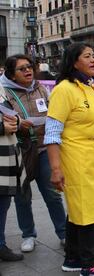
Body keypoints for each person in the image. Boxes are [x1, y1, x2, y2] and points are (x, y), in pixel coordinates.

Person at [44, 42, 94, 275]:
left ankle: (72, 258)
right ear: (74, 62)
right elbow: (52, 132)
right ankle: (91, 265)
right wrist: (55, 169)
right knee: (87, 211)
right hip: (76, 159)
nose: (93, 60)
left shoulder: (93, 88)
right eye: (87, 56)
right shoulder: (64, 89)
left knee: (78, 211)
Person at [0, 54, 66, 253]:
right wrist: (19, 123)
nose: (28, 71)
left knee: (53, 194)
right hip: (20, 149)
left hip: (44, 148)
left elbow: (53, 111)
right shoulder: (4, 92)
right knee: (22, 196)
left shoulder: (41, 88)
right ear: (11, 74)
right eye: (22, 69)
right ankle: (28, 234)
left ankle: (64, 233)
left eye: (29, 67)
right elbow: (6, 118)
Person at [0, 83, 24, 262]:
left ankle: (0, 245)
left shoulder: (0, 88)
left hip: (7, 156)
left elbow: (13, 114)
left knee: (3, 204)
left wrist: (16, 122)